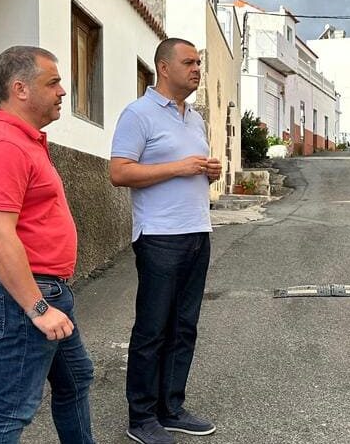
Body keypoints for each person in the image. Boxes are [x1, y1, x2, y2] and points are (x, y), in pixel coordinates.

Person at [0, 45, 95, 443]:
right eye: (52, 83)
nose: (62, 92)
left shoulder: (24, 141)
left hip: (44, 289)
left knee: (76, 379)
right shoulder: (4, 146)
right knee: (11, 411)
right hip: (24, 294)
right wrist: (37, 307)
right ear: (20, 89)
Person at [110, 38, 222, 444]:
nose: (196, 68)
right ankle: (141, 418)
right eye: (188, 62)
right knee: (153, 329)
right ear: (163, 67)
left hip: (197, 232)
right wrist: (180, 167)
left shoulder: (194, 118)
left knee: (184, 327)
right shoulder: (138, 114)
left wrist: (207, 172)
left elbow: (191, 170)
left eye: (199, 62)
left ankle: (171, 409)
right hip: (159, 237)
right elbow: (119, 172)